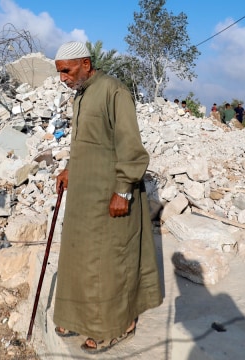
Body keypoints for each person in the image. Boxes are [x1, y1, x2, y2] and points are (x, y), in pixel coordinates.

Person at [52, 41, 162, 354]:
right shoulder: (81, 96)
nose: (63, 78)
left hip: (112, 194)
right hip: (84, 196)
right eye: (60, 72)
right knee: (82, 258)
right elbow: (86, 142)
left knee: (111, 261)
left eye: (66, 70)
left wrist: (123, 190)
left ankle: (118, 325)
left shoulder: (115, 92)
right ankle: (79, 316)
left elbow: (131, 147)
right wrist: (70, 168)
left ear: (85, 63)